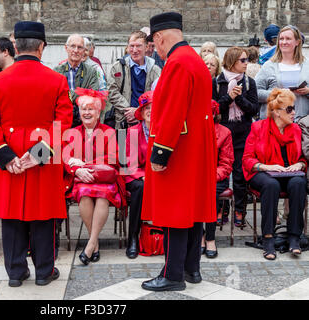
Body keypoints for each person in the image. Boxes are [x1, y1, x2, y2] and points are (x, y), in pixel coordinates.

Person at [0, 21, 73, 287]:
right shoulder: (57, 79)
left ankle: (16, 273)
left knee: (11, 218)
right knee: (43, 216)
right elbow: (63, 124)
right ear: (41, 47)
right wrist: (39, 154)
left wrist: (6, 156)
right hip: (43, 157)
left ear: (15, 46)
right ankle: (44, 272)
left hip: (10, 157)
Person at [141, 12, 216, 292]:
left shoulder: (176, 63)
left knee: (174, 212)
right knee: (193, 211)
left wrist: (160, 154)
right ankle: (190, 268)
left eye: (154, 43)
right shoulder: (193, 59)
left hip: (178, 150)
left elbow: (172, 113)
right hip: (195, 148)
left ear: (160, 37)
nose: (155, 50)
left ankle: (173, 274)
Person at [243, 88, 307, 260]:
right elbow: (247, 159)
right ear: (277, 112)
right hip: (262, 172)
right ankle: (268, 238)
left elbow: (303, 158)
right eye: (289, 109)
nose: (294, 112)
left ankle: (294, 237)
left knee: (299, 183)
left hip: (287, 173)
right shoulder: (258, 127)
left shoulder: (295, 130)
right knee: (271, 185)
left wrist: (299, 164)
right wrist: (266, 167)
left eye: (294, 108)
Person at [63, 88, 125, 265]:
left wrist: (84, 165)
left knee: (103, 196)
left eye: (91, 109)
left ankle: (91, 244)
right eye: (84, 109)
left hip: (104, 179)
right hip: (81, 179)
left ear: (98, 112)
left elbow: (112, 158)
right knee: (84, 194)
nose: (87, 112)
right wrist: (76, 170)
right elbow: (66, 158)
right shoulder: (72, 132)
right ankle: (94, 242)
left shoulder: (109, 131)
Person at [213, 46, 259, 228]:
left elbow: (254, 109)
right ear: (232, 61)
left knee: (240, 176)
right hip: (221, 135)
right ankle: (220, 209)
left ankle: (239, 210)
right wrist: (229, 98)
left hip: (243, 134)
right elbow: (213, 108)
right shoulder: (217, 82)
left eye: (246, 59)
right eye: (243, 60)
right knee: (221, 174)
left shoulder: (249, 82)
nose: (246, 63)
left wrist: (239, 99)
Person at [107, 30, 161, 129]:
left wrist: (138, 112)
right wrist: (128, 110)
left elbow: (158, 96)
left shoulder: (155, 70)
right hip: (123, 120)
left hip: (146, 123)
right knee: (123, 144)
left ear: (146, 47)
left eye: (138, 46)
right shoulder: (118, 67)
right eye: (131, 46)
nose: (134, 50)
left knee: (142, 144)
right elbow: (112, 91)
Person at [201, 100, 234, 258]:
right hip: (197, 177)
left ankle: (210, 238)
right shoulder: (193, 130)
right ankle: (199, 235)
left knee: (210, 193)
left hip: (217, 177)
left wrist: (210, 177)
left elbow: (226, 163)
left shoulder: (224, 132)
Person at [256, 25, 309, 121]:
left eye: (288, 39)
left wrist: (308, 91)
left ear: (297, 42)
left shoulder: (307, 65)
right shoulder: (269, 66)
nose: (284, 42)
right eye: (281, 39)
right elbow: (255, 92)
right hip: (275, 122)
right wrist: (277, 94)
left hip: (302, 122)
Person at [124, 91, 152, 259]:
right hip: (135, 176)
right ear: (141, 113)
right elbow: (128, 162)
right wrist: (144, 176)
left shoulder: (164, 130)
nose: (150, 111)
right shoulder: (132, 132)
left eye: (153, 108)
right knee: (140, 189)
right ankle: (133, 237)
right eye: (146, 108)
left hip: (159, 176)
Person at [54, 34, 99, 128]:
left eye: (80, 47)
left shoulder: (91, 72)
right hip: (62, 121)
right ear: (66, 48)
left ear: (84, 51)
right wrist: (82, 93)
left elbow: (94, 95)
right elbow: (54, 98)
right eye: (73, 46)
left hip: (84, 122)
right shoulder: (57, 71)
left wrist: (68, 95)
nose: (76, 50)